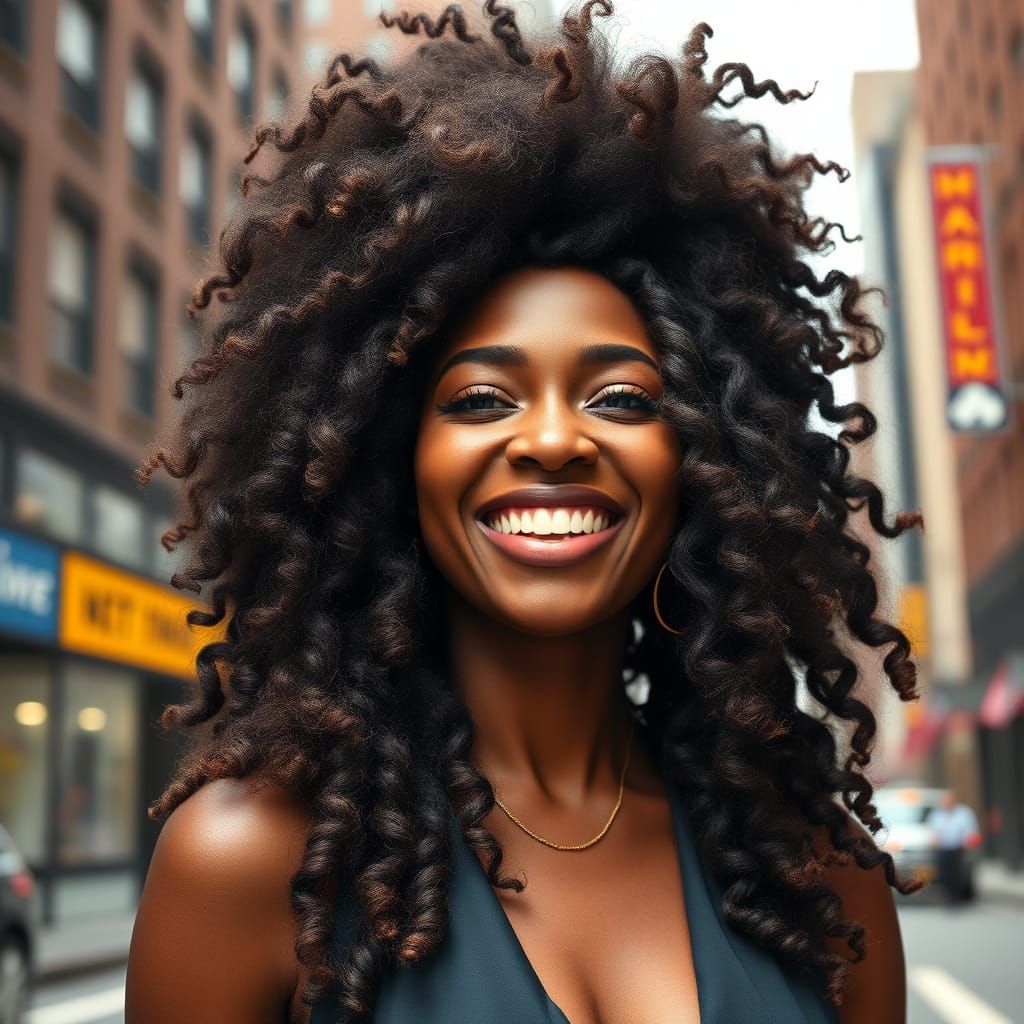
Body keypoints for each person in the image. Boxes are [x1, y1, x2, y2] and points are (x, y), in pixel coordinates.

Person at [124, 2, 920, 1022]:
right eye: (480, 399)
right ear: (383, 458)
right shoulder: (248, 865)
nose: (552, 440)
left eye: (623, 398)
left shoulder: (815, 869)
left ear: (710, 463)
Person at [926, 791, 980, 906]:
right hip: (942, 849)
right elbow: (932, 832)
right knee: (945, 874)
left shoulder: (964, 813)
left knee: (958, 873)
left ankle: (958, 897)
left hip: (959, 849)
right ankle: (948, 896)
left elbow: (970, 830)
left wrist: (967, 844)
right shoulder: (937, 815)